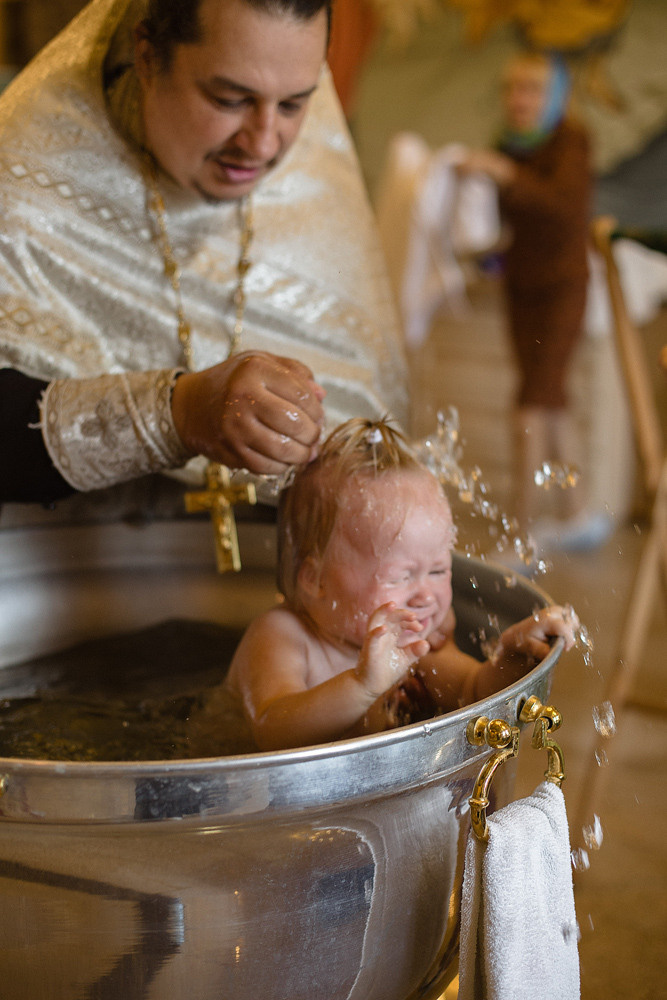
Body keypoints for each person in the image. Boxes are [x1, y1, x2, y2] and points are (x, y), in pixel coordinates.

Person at [0, 0, 407, 507]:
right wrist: (177, 414)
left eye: (293, 105)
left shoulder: (315, 182)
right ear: (147, 57)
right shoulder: (22, 188)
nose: (262, 145)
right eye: (230, 99)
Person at [221, 417, 579, 751]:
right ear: (316, 580)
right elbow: (270, 730)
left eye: (438, 571)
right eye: (400, 576)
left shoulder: (415, 637)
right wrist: (363, 686)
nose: (425, 596)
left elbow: (470, 691)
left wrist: (514, 656)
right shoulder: (282, 637)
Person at [458, 52, 609, 551]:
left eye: (530, 89)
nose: (518, 100)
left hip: (562, 287)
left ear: (556, 95)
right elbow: (511, 220)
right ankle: (577, 511)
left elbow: (562, 207)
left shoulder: (571, 141)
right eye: (512, 89)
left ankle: (522, 532)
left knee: (530, 404)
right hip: (521, 286)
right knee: (552, 403)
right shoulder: (511, 145)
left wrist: (503, 173)